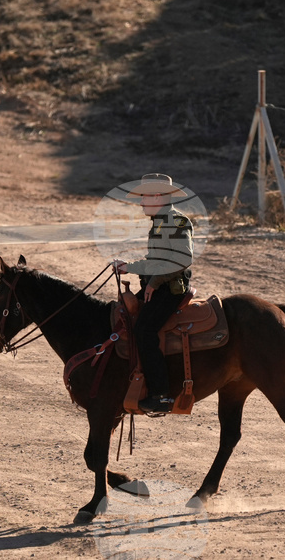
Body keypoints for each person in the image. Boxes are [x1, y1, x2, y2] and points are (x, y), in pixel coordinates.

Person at [113, 173, 194, 415]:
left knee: (144, 331)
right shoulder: (160, 221)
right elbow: (155, 261)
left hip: (171, 289)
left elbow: (182, 259)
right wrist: (130, 267)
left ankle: (160, 396)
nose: (140, 203)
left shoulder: (176, 221)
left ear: (158, 196)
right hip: (159, 287)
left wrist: (154, 282)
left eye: (144, 197)